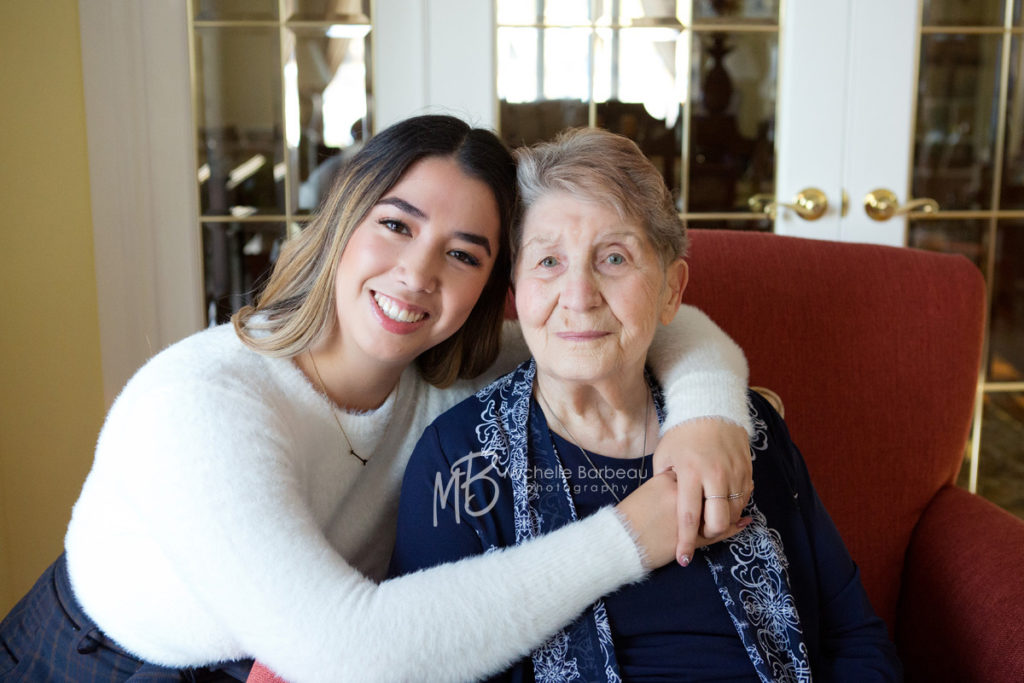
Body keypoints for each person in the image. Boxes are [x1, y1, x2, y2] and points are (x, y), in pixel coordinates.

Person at [0, 115, 755, 683]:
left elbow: (657, 321)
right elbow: (346, 650)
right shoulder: (198, 404)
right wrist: (629, 535)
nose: (417, 274)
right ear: (339, 223)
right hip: (95, 660)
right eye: (396, 225)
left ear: (497, 291)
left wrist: (708, 417)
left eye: (463, 253)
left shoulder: (444, 369)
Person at [389, 127, 902, 681]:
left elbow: (853, 635)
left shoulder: (745, 432)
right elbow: (424, 661)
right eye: (548, 262)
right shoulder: (461, 458)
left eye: (614, 257)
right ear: (516, 287)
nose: (579, 296)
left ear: (672, 292)